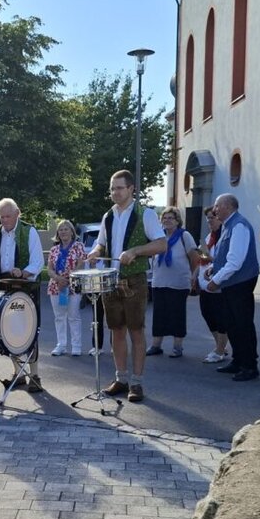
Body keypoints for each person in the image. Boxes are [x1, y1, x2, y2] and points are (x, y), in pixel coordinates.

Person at [85, 170, 167, 403]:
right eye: (112, 188)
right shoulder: (108, 216)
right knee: (116, 330)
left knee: (136, 331)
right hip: (111, 281)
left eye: (119, 188)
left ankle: (137, 383)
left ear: (131, 189)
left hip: (135, 280)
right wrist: (94, 252)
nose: (114, 192)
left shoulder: (146, 214)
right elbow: (101, 244)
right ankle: (121, 379)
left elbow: (161, 244)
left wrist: (135, 251)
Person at [0, 198, 46, 392]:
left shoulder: (29, 231)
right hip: (4, 285)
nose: (4, 220)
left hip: (26, 285)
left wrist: (24, 272)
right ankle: (18, 374)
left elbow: (38, 261)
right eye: (1, 217)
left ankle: (34, 375)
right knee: (8, 331)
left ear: (18, 213)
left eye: (8, 216)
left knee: (29, 330)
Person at [202, 194, 260, 381]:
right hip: (232, 283)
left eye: (217, 206)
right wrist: (213, 269)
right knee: (232, 324)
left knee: (243, 325)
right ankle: (238, 361)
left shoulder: (239, 225)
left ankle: (250, 366)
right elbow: (225, 256)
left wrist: (216, 280)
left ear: (228, 206)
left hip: (240, 283)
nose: (214, 209)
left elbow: (235, 261)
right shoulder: (229, 225)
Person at [148, 207, 200, 358]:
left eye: (171, 218)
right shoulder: (159, 237)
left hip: (178, 283)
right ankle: (156, 345)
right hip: (159, 282)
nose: (167, 220)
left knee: (177, 315)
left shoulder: (184, 235)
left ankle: (178, 347)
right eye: (164, 218)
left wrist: (192, 275)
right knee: (159, 316)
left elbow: (194, 257)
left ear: (178, 221)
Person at [46, 219, 86, 357]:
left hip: (73, 285)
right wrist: (58, 279)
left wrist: (68, 278)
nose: (63, 232)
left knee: (73, 316)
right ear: (58, 233)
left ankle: (76, 346)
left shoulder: (78, 246)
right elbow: (49, 269)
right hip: (56, 286)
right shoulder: (54, 249)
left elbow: (81, 264)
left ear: (72, 231)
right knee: (59, 317)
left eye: (66, 229)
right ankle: (61, 345)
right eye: (61, 230)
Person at [197, 207, 229, 364]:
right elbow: (202, 258)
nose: (209, 220)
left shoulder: (225, 236)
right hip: (205, 284)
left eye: (213, 217)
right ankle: (220, 346)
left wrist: (210, 260)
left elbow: (225, 261)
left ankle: (220, 350)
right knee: (208, 315)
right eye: (208, 218)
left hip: (219, 285)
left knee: (221, 319)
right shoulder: (210, 236)